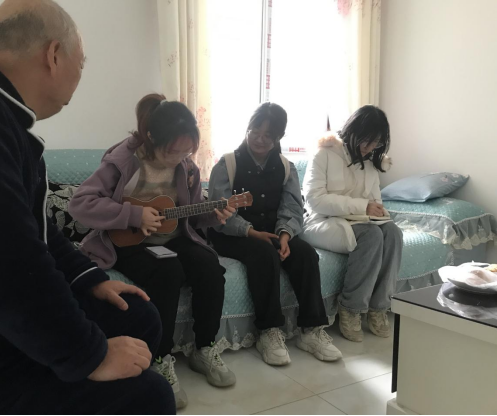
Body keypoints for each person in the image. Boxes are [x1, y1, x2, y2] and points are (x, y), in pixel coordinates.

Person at [0, 1, 175, 415]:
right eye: (81, 63)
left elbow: (38, 232)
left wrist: (89, 279)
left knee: (137, 315)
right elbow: (2, 264)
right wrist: (89, 355)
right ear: (53, 55)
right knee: (151, 396)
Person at [69, 93, 238, 410]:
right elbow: (80, 204)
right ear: (151, 137)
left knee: (209, 265)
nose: (180, 159)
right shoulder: (122, 160)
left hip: (173, 237)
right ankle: (160, 358)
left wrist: (213, 215)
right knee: (167, 272)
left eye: (187, 152)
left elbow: (189, 214)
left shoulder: (187, 167)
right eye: (173, 152)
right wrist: (134, 215)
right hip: (128, 241)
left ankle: (205, 347)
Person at [208, 103, 343, 366]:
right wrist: (250, 231)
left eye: (267, 136)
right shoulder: (227, 164)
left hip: (273, 231)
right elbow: (219, 212)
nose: (259, 139)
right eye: (254, 132)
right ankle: (269, 331)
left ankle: (311, 329)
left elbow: (292, 206)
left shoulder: (285, 166)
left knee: (306, 254)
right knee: (264, 255)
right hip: (233, 234)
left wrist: (285, 235)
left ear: (278, 137)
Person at [302, 105, 404, 343]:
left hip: (358, 220)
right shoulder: (324, 154)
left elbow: (375, 201)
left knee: (393, 233)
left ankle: (379, 307)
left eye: (376, 143)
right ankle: (351, 308)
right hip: (321, 221)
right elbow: (315, 200)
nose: (369, 148)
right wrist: (362, 207)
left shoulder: (372, 162)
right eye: (366, 140)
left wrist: (378, 211)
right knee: (371, 235)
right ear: (353, 131)